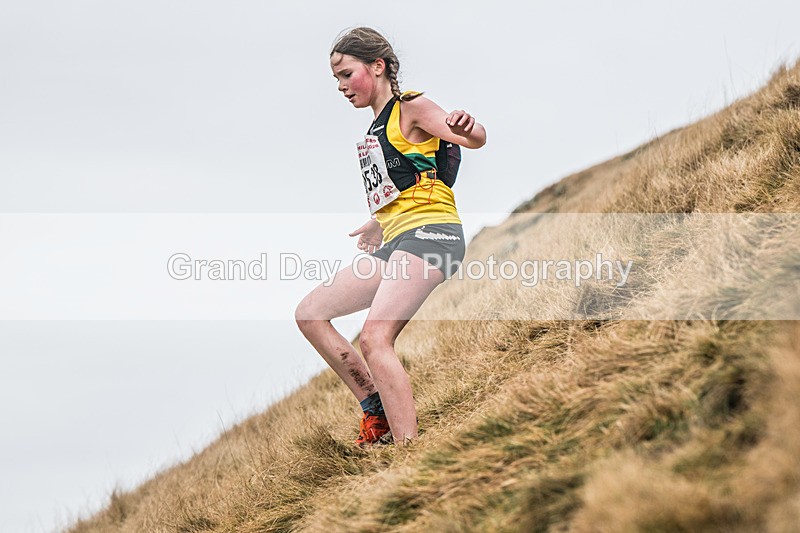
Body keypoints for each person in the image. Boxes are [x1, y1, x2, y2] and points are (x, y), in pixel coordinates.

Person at [295, 27, 487, 447]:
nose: (342, 87)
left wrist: (468, 127)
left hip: (433, 234)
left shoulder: (411, 108)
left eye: (347, 74)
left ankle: (407, 452)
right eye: (336, 80)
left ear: (377, 66)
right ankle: (375, 409)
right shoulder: (375, 131)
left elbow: (473, 140)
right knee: (310, 313)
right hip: (401, 237)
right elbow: (409, 182)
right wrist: (379, 221)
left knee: (375, 337)